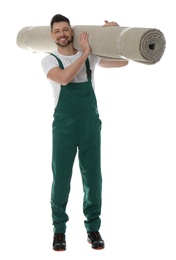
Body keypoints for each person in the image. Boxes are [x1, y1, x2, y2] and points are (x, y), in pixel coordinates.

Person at [41, 14, 128, 251]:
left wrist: (114, 32)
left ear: (72, 32)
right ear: (52, 35)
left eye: (66, 29)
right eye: (57, 31)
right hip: (64, 127)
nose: (62, 34)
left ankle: (93, 228)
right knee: (61, 179)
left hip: (90, 124)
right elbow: (65, 78)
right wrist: (86, 53)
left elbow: (123, 61)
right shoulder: (49, 60)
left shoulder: (90, 56)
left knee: (93, 178)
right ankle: (59, 230)